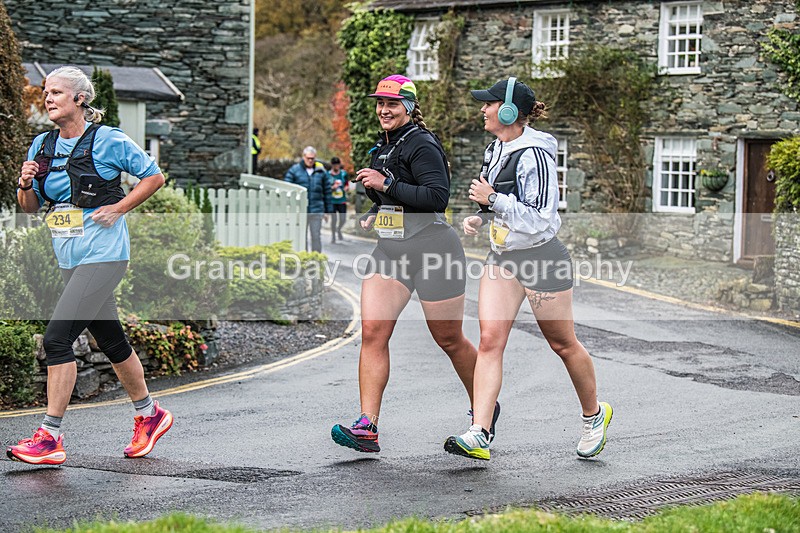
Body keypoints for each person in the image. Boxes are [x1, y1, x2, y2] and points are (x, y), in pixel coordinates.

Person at [7, 66, 171, 465]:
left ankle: (49, 437)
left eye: (57, 93)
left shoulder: (108, 140)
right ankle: (150, 415)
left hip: (104, 255)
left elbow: (154, 177)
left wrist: (118, 207)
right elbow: (29, 210)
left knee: (56, 340)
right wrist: (25, 184)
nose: (48, 99)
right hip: (70, 256)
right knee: (113, 343)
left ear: (81, 99)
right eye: (46, 92)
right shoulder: (41, 146)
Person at [444, 77, 612, 461]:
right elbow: (500, 202)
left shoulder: (535, 153)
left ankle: (594, 415)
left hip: (541, 258)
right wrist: (481, 216)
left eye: (488, 105)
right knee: (489, 342)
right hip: (503, 259)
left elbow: (539, 218)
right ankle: (479, 432)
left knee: (562, 343)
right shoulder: (496, 148)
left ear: (507, 111)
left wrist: (494, 201)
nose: (482, 110)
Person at [330, 74, 498, 453]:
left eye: (392, 104)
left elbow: (437, 198)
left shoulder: (422, 144)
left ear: (408, 107)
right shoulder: (383, 147)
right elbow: (398, 194)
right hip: (391, 252)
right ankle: (366, 426)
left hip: (434, 250)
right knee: (373, 332)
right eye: (380, 104)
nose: (384, 110)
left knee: (449, 339)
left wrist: (385, 186)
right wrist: (379, 211)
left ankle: (484, 411)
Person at [284, 146, 332, 253]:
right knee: (301, 237)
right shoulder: (294, 170)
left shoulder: (321, 172)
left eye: (312, 158)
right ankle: (303, 258)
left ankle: (316, 259)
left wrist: (328, 211)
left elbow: (327, 192)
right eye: (308, 158)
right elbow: (287, 188)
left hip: (317, 210)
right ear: (303, 157)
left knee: (316, 236)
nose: (310, 160)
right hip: (300, 211)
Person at [329, 156, 348, 243]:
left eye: (338, 164)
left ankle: (338, 229)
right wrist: (333, 187)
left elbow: (347, 184)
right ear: (332, 165)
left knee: (343, 219)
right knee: (334, 219)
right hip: (332, 201)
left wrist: (346, 188)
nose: (336, 166)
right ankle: (333, 236)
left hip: (342, 200)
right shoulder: (328, 175)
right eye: (335, 165)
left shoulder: (344, 174)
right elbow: (325, 188)